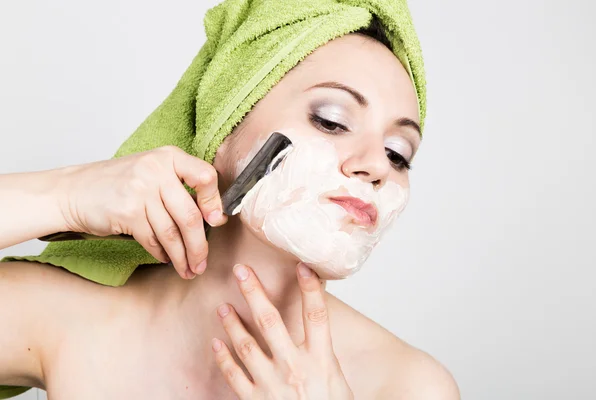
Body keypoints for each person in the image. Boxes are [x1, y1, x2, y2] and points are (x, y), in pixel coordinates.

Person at [0, 8, 459, 400]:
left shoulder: (408, 385)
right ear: (226, 128)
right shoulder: (74, 317)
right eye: (332, 120)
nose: (376, 165)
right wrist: (64, 194)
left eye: (399, 153)